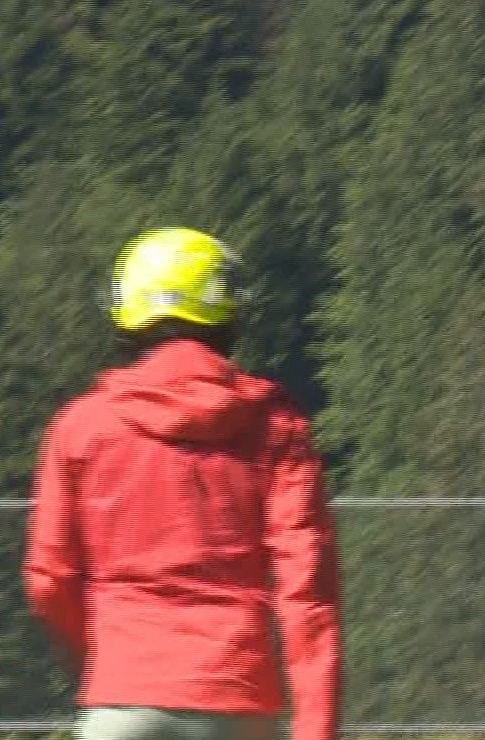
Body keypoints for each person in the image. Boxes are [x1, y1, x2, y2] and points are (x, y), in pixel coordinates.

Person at [23, 228, 342, 740]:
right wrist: (315, 728)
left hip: (122, 698)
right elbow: (308, 594)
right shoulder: (276, 425)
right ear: (227, 309)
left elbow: (49, 580)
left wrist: (108, 661)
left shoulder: (81, 425)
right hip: (235, 698)